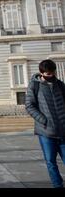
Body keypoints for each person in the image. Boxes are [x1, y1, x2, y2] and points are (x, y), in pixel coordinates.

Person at [25, 59, 65, 188]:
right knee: (50, 161)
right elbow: (29, 106)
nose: (50, 76)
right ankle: (57, 184)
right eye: (47, 74)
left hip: (63, 130)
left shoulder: (60, 85)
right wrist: (44, 120)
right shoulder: (34, 85)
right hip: (46, 132)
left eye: (52, 73)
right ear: (41, 73)